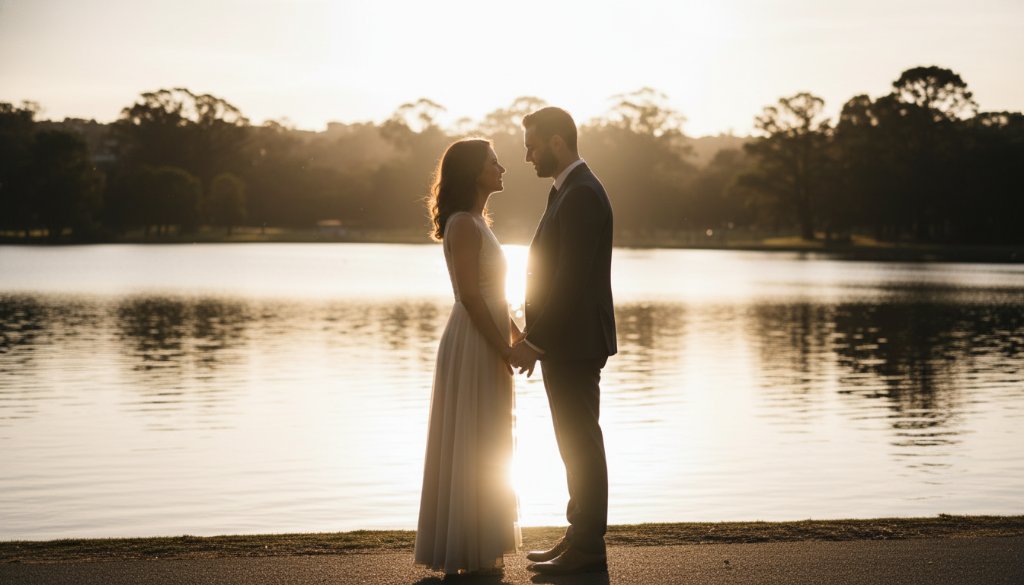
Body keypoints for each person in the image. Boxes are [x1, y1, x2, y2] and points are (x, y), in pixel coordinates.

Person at [509, 107, 617, 575]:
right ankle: (579, 534)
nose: (527, 155)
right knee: (572, 441)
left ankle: (588, 547)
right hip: (566, 341)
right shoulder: (567, 191)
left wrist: (535, 343)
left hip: (574, 342)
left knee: (580, 442)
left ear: (557, 142)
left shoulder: (581, 194)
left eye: (532, 145)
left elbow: (570, 281)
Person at [414, 138, 521, 576]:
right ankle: (467, 549)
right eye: (494, 162)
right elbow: (470, 298)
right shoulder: (462, 224)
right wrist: (506, 348)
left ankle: (482, 545)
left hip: (489, 338)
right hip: (473, 342)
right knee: (472, 439)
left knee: (488, 440)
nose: (503, 168)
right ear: (475, 171)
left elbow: (497, 297)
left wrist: (521, 339)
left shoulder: (480, 222)